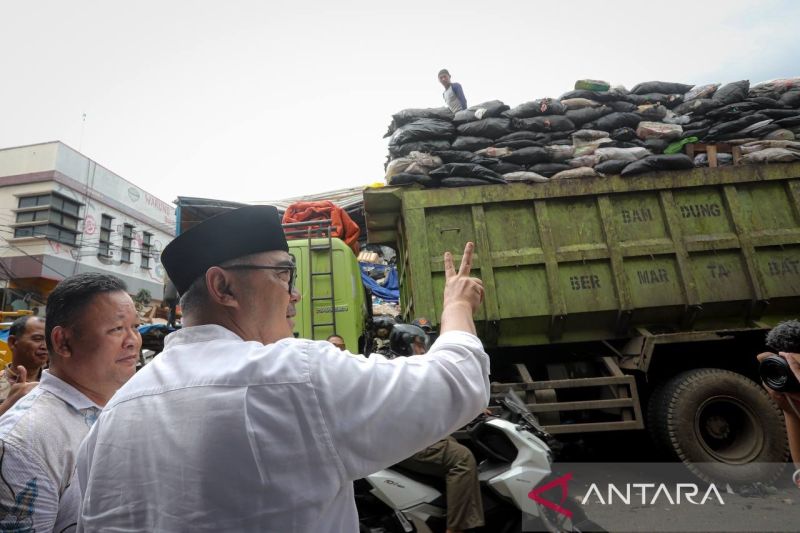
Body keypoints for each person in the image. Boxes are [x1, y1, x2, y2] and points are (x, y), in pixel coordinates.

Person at [76, 205, 489, 532]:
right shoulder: (293, 375)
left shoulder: (113, 416)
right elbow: (457, 380)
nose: (296, 295)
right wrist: (456, 306)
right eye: (285, 275)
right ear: (223, 287)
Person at [0, 273, 141, 532]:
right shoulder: (25, 441)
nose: (133, 340)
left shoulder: (125, 410)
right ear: (63, 341)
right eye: (117, 329)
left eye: (135, 326)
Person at [392, 324, 485, 533]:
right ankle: (456, 528)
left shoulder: (399, 366)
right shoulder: (411, 369)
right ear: (408, 345)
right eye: (418, 344)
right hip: (408, 442)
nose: (422, 349)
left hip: (410, 437)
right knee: (462, 459)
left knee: (451, 442)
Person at [0, 315, 47, 402]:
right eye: (37, 339)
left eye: (49, 341)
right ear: (13, 342)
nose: (45, 346)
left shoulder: (55, 385)